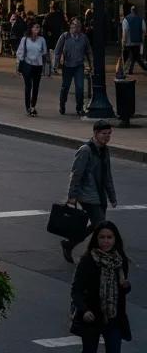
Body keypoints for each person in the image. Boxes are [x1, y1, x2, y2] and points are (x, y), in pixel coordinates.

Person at [70, 220, 132, 353]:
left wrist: (126, 286)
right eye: (102, 237)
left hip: (113, 317)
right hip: (92, 316)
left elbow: (122, 292)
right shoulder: (88, 260)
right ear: (96, 239)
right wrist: (84, 310)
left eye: (109, 237)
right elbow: (76, 290)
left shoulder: (120, 261)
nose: (106, 241)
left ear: (115, 239)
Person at [61, 121, 117, 264]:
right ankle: (98, 258)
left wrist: (112, 196)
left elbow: (107, 175)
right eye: (104, 134)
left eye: (109, 134)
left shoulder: (105, 150)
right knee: (101, 226)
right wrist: (72, 196)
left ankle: (70, 244)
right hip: (87, 195)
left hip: (100, 195)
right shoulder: (85, 150)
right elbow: (76, 174)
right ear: (95, 134)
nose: (107, 137)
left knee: (96, 225)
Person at [55, 18, 93, 117]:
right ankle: (62, 104)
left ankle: (79, 108)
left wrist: (91, 64)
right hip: (67, 66)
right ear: (70, 26)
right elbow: (57, 51)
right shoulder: (65, 36)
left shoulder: (84, 38)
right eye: (74, 25)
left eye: (79, 26)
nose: (76, 28)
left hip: (79, 66)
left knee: (80, 87)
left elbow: (89, 52)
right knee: (65, 87)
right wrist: (56, 65)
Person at [17, 22, 49, 116]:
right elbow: (20, 52)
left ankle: (33, 105)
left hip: (38, 65)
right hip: (27, 64)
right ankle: (28, 107)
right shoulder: (25, 39)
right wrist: (18, 64)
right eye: (35, 27)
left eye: (38, 27)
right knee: (28, 86)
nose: (37, 29)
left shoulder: (42, 39)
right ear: (31, 28)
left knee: (36, 86)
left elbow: (44, 52)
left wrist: (47, 65)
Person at [43, 1, 67, 77]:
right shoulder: (60, 15)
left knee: (51, 53)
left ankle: (51, 69)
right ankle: (54, 68)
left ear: (51, 7)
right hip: (58, 36)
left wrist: (48, 33)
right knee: (57, 53)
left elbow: (44, 26)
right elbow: (65, 25)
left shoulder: (48, 16)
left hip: (50, 37)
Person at [119, 5, 145, 75]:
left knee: (125, 57)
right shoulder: (141, 19)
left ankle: (123, 70)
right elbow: (144, 31)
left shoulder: (126, 19)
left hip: (128, 42)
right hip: (137, 42)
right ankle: (130, 70)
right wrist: (141, 39)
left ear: (131, 11)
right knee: (135, 57)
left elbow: (125, 31)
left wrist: (123, 42)